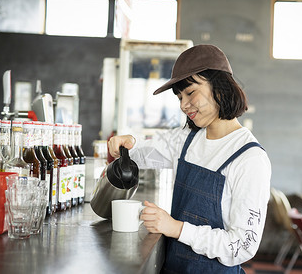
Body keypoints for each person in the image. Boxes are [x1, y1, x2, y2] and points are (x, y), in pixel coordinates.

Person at [108, 44, 271, 273]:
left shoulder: (250, 159)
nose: (184, 105)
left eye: (190, 92)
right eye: (179, 97)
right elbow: (147, 152)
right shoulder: (188, 138)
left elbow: (242, 246)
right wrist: (128, 145)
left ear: (220, 86)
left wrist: (176, 228)